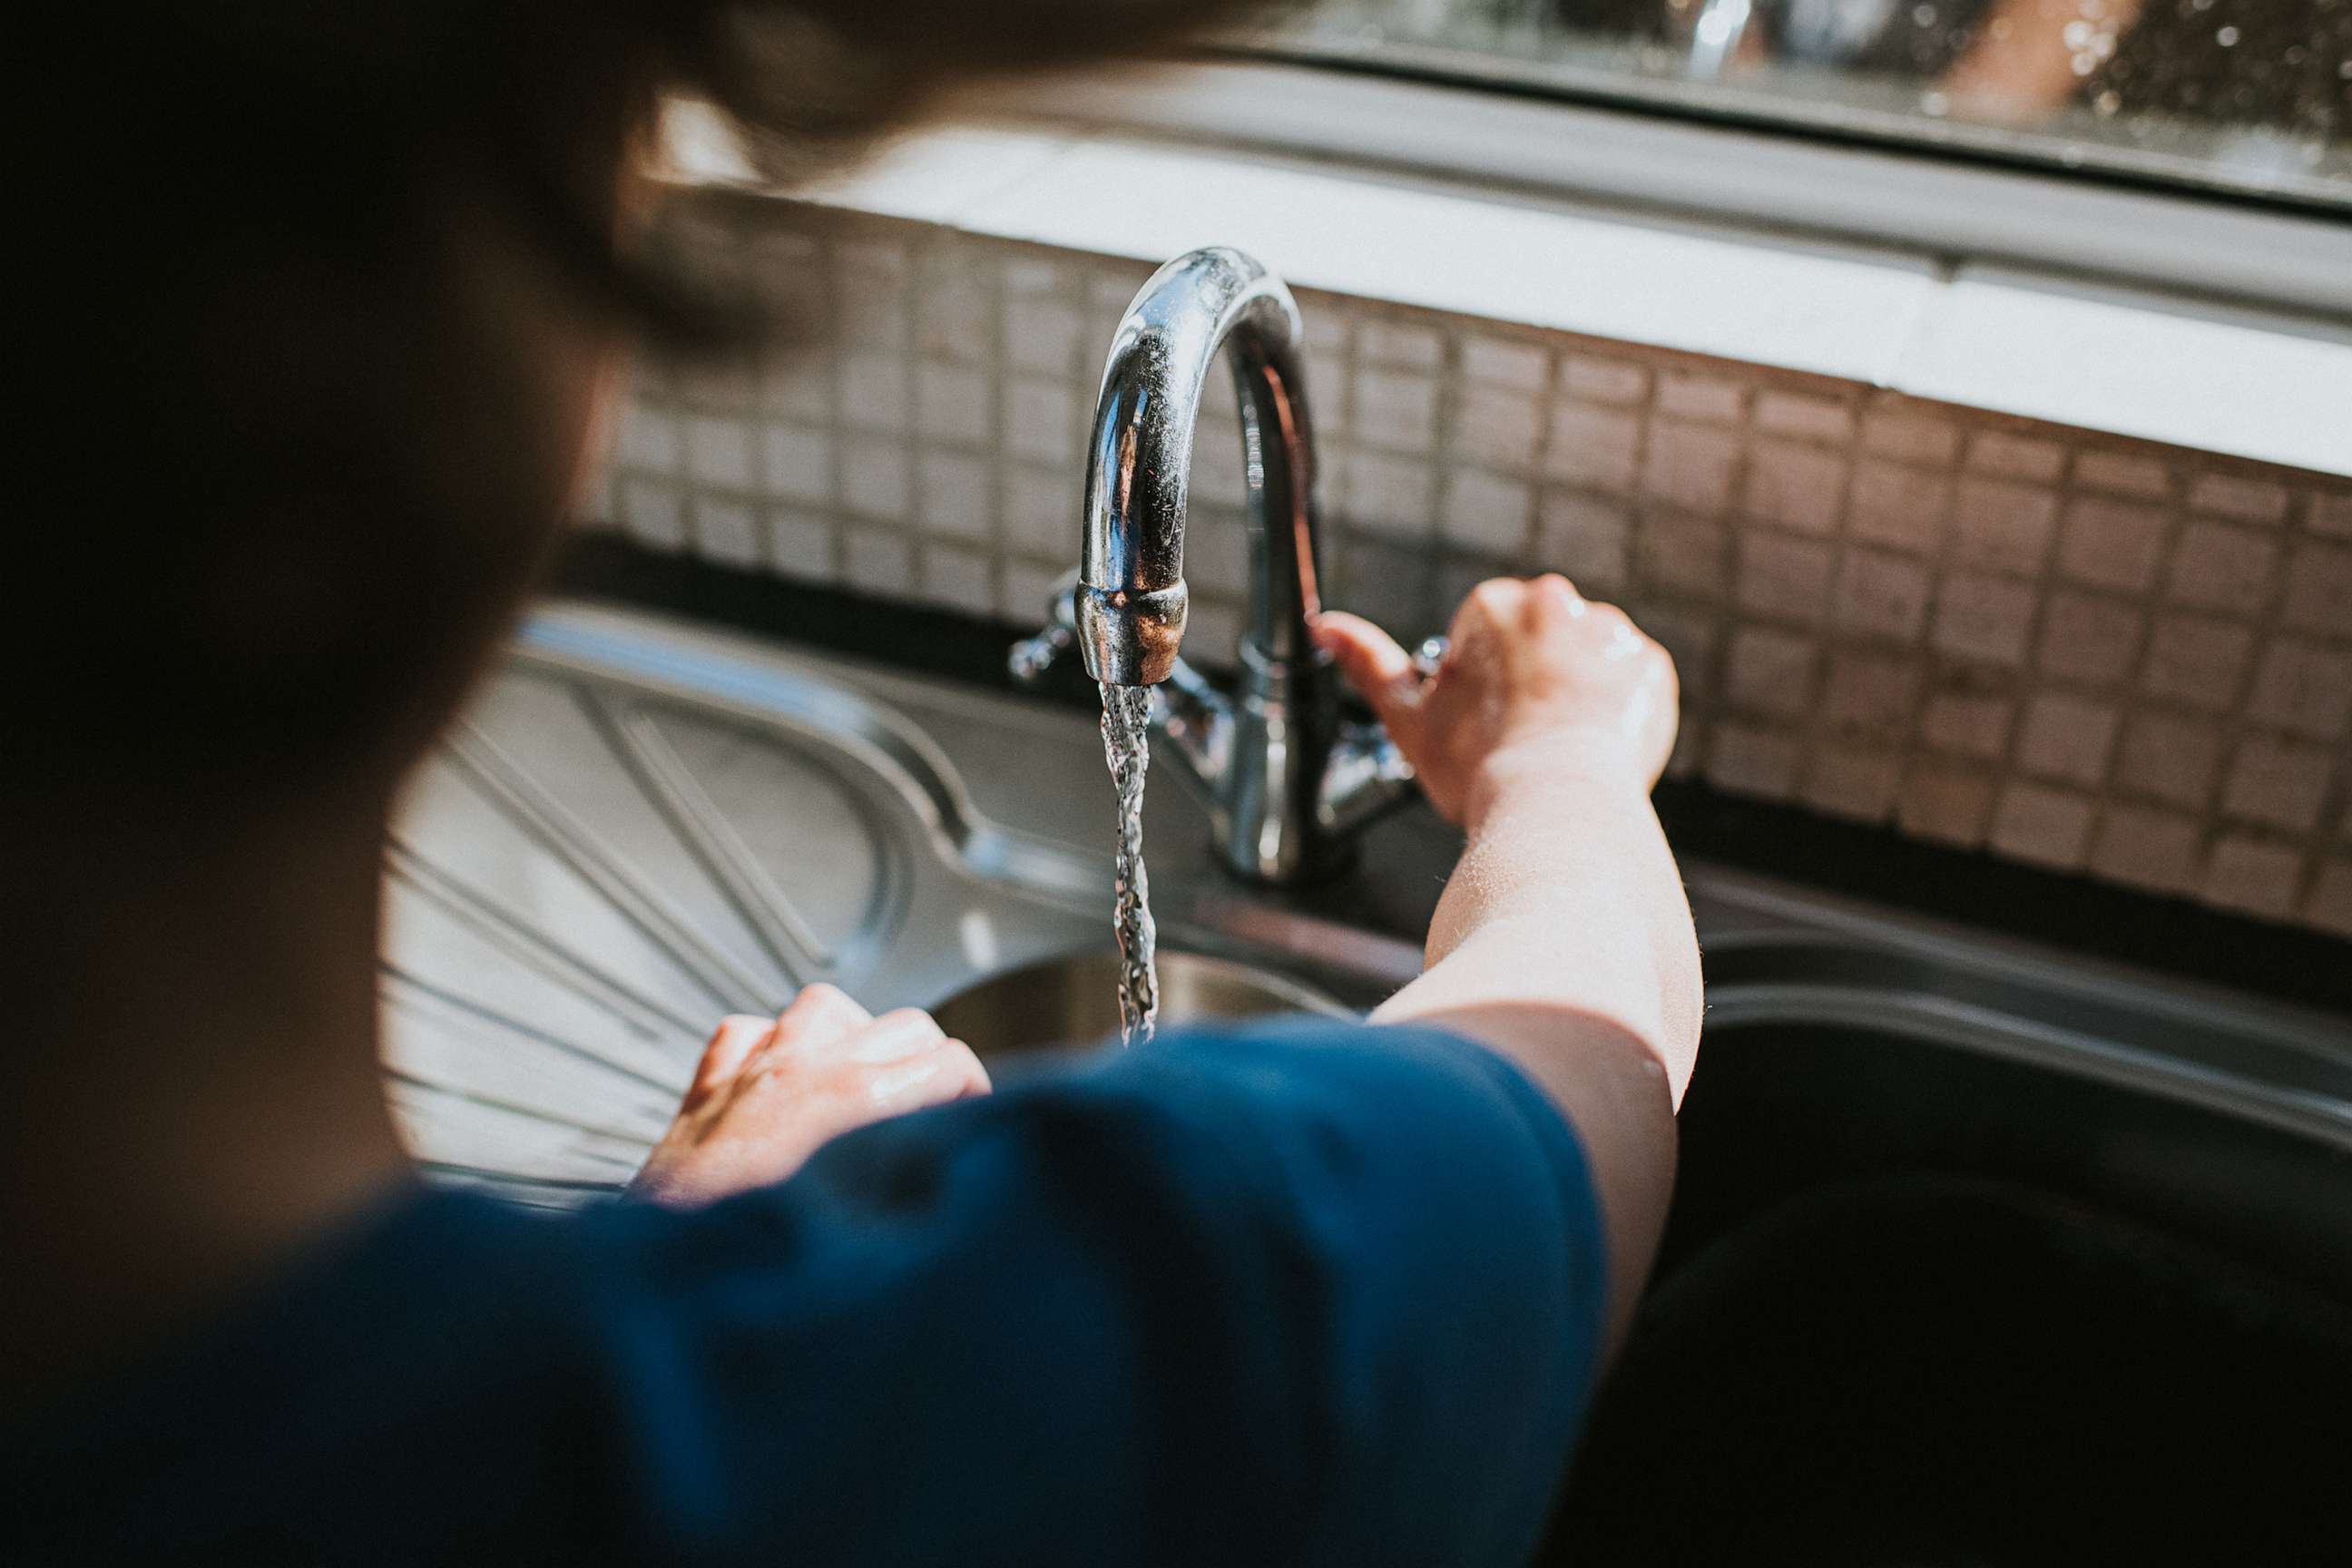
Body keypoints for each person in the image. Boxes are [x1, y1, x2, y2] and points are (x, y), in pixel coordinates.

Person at [1, 4, 1700, 1561]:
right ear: (403, 349)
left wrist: (684, 1228)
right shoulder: (1000, 1394)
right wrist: (1561, 760)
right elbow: (1581, 1067)